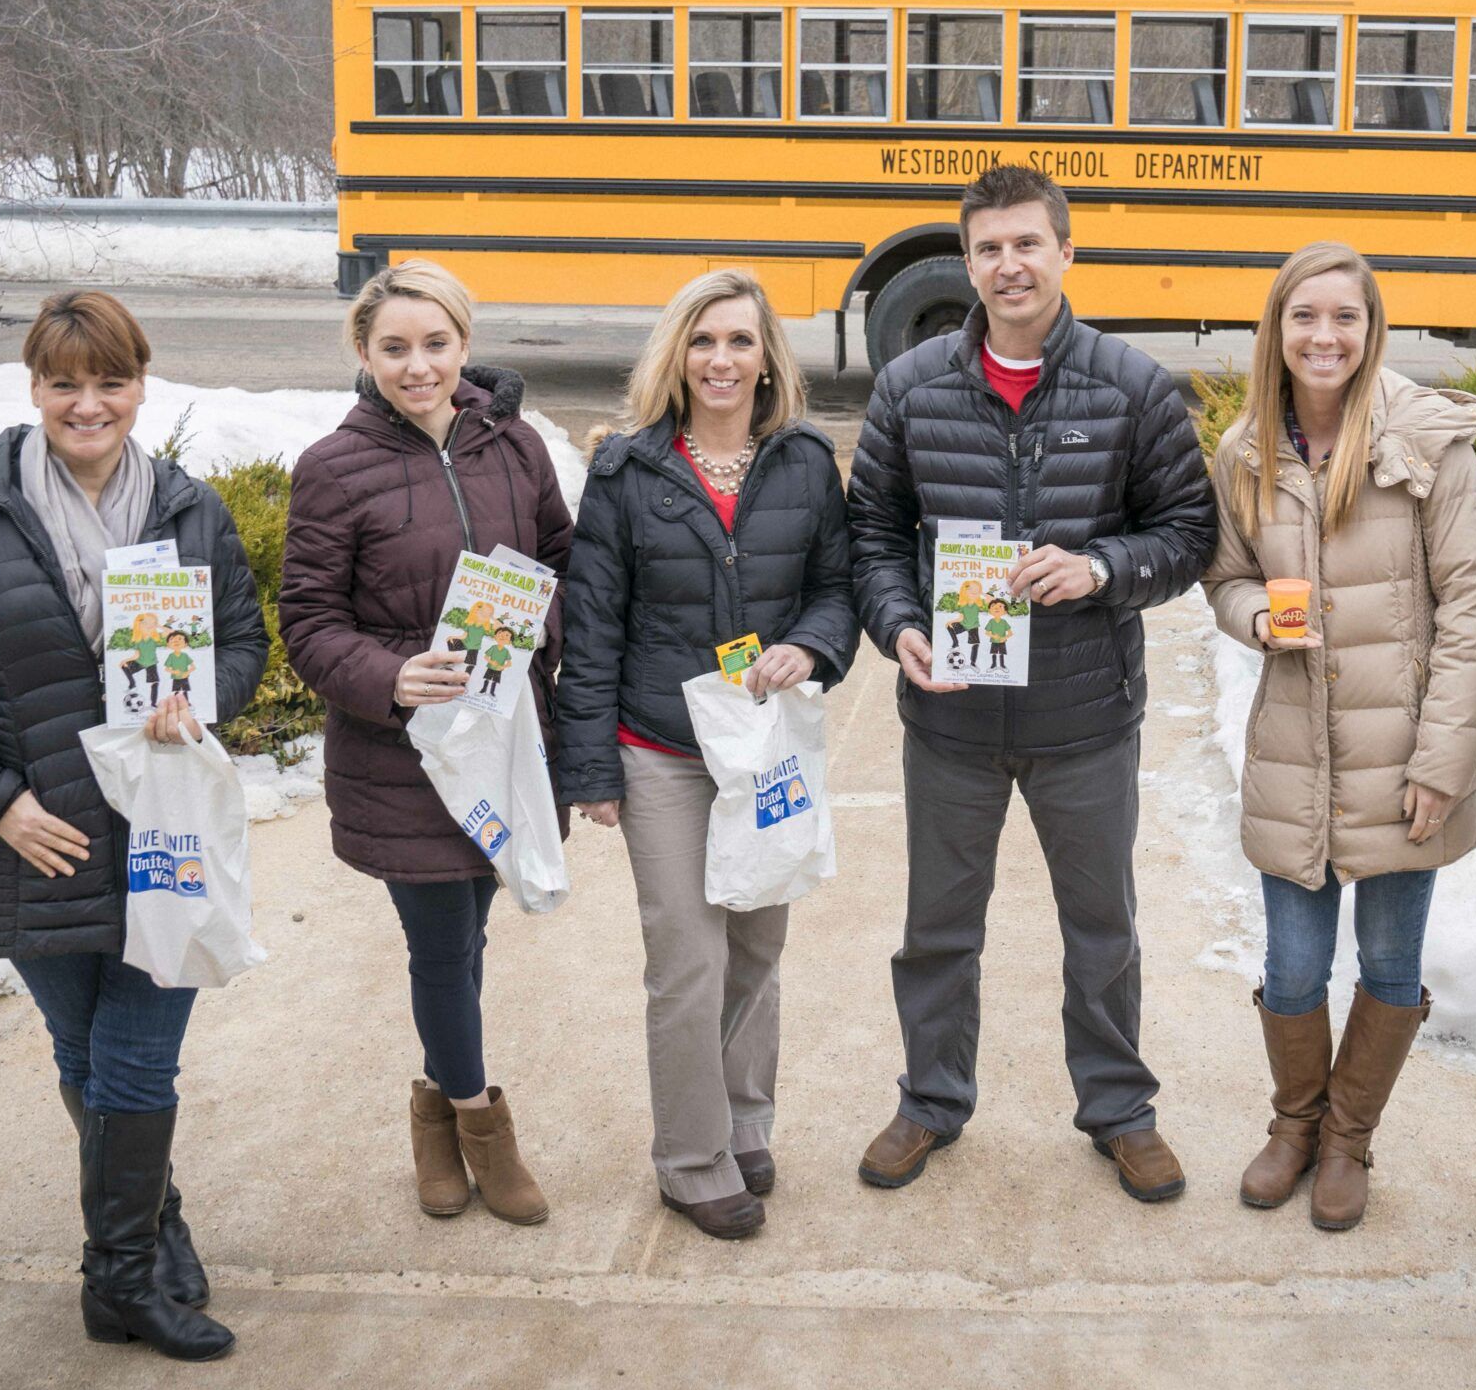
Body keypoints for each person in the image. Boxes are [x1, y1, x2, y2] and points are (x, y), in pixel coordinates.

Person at [0, 289, 269, 1363]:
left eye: (111, 382)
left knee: (137, 1064)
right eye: (65, 383)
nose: (89, 405)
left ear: (141, 385)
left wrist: (204, 700)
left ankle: (120, 1281)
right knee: (85, 1053)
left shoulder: (190, 507)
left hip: (162, 830)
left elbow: (242, 640)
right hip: (35, 838)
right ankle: (155, 1231)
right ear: (34, 388)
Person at [847, 163, 1218, 1202]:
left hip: (1084, 717)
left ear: (1065, 251)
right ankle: (930, 1100)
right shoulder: (912, 385)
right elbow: (871, 532)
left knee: (1101, 928)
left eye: (1026, 244)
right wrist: (898, 624)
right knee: (937, 929)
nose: (1008, 265)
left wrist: (1100, 568)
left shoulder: (1131, 387)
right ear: (965, 264)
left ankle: (1118, 1110)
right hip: (951, 717)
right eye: (988, 248)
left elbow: (1188, 535)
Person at [1200, 243, 1476, 1230]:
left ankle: (1347, 1142)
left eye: (1345, 318)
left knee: (1387, 964)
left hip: (1402, 758)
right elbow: (1226, 577)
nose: (1324, 336)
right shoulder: (1246, 453)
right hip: (1294, 750)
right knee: (1292, 968)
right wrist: (1251, 616)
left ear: (1371, 332)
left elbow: (1470, 604)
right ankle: (1293, 1125)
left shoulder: (1425, 446)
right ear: (1275, 332)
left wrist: (1445, 762)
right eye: (1304, 317)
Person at [555, 270, 855, 1239]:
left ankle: (742, 1120)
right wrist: (592, 768)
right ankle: (689, 1159)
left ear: (767, 355)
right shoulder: (628, 470)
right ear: (675, 357)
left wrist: (809, 644)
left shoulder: (805, 461)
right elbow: (591, 625)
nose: (721, 360)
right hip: (661, 750)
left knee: (757, 946)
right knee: (687, 954)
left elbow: (835, 588)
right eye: (702, 341)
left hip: (762, 752)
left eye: (739, 340)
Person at [280, 258, 576, 1227]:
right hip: (404, 755)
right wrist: (389, 679)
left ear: (464, 344)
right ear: (365, 354)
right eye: (395, 348)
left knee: (469, 935)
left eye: (436, 344)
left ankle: (432, 1117)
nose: (419, 367)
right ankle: (480, 1123)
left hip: (503, 743)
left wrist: (543, 623)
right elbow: (310, 620)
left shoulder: (515, 446)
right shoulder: (334, 467)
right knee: (443, 947)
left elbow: (563, 560)